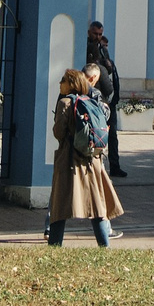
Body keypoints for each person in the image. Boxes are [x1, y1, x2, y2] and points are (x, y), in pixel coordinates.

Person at [47, 68, 124, 247]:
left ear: (71, 83)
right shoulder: (93, 101)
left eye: (63, 80)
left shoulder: (65, 103)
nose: (60, 83)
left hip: (70, 160)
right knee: (96, 206)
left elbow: (59, 133)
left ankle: (54, 244)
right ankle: (104, 244)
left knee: (60, 204)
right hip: (92, 159)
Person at [85, 23, 126, 179]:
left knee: (112, 134)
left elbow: (108, 69)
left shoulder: (103, 48)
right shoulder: (87, 47)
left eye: (100, 34)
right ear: (89, 32)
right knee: (95, 133)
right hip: (95, 97)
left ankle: (115, 166)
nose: (98, 37)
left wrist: (108, 64)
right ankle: (94, 165)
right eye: (95, 34)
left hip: (107, 99)